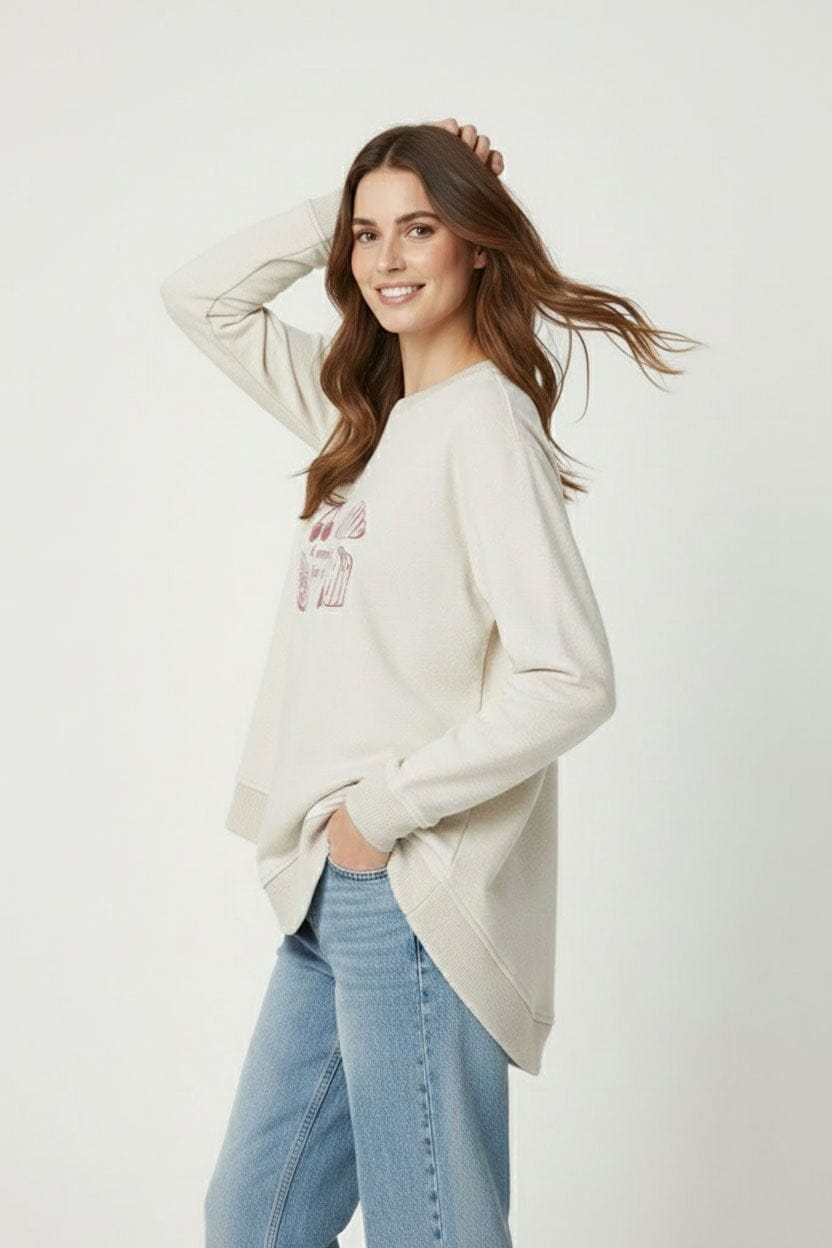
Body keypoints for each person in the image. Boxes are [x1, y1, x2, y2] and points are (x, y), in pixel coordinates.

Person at [160, 117, 699, 1248]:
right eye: (368, 236)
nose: (388, 259)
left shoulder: (486, 425)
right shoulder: (363, 421)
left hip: (406, 880)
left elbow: (570, 677)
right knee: (253, 1218)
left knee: (429, 1228)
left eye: (421, 228)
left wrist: (382, 815)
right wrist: (348, 199)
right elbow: (201, 299)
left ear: (476, 246)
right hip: (324, 882)